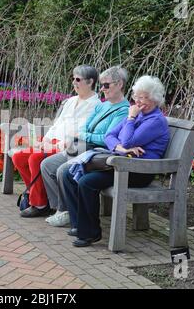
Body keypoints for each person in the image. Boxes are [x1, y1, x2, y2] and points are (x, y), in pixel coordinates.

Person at [60, 75, 170, 247]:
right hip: (123, 163)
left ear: (155, 99)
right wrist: (121, 148)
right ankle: (80, 226)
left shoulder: (155, 120)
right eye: (136, 97)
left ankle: (90, 233)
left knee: (86, 182)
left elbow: (126, 140)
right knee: (69, 173)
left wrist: (130, 120)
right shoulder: (140, 114)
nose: (138, 101)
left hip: (139, 171)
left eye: (143, 97)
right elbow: (110, 136)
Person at [41, 66, 130, 226]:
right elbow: (84, 128)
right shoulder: (102, 106)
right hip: (83, 146)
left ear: (119, 84)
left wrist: (83, 135)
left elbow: (107, 139)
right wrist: (82, 135)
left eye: (106, 85)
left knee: (63, 170)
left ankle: (69, 212)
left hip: (98, 152)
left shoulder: (123, 111)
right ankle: (61, 209)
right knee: (47, 165)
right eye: (101, 85)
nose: (102, 89)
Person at [12, 65, 101, 218]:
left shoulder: (96, 106)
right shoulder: (71, 101)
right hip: (52, 141)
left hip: (71, 147)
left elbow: (79, 135)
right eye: (73, 79)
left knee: (35, 158)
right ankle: (40, 195)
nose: (74, 82)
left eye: (78, 79)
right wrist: (44, 140)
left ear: (90, 82)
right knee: (19, 157)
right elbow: (57, 123)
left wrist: (55, 145)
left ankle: (40, 204)